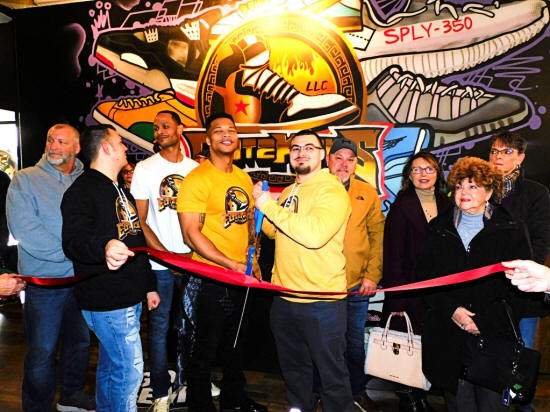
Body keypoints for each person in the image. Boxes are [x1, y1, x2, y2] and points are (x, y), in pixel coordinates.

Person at [417, 157, 533, 412]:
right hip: (449, 337)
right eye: (459, 186)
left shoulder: (511, 228)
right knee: (459, 405)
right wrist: (453, 311)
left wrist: (483, 321)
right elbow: (425, 279)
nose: (464, 192)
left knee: (492, 406)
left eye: (472, 186)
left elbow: (523, 288)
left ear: (489, 191)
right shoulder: (438, 228)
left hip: (495, 338)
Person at [61, 124, 160, 412]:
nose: (125, 147)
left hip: (128, 296)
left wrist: (149, 285)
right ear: (106, 148)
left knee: (111, 366)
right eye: (119, 142)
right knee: (129, 371)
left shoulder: (120, 190)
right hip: (107, 299)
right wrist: (103, 246)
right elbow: (74, 242)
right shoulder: (81, 191)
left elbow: (135, 239)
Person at [253, 129, 353, 412]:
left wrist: (268, 206)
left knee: (332, 378)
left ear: (322, 155)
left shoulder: (331, 189)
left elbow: (314, 236)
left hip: (322, 301)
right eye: (295, 148)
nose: (301, 153)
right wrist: (260, 208)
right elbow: (274, 231)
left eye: (309, 147)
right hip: (284, 298)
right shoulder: (289, 191)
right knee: (295, 374)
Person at [177, 113, 267, 412]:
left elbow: (248, 223)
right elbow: (191, 234)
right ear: (208, 139)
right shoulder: (197, 179)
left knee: (236, 344)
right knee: (203, 349)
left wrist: (253, 256)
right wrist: (229, 264)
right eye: (218, 131)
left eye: (231, 130)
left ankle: (233, 398)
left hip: (240, 276)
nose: (226, 134)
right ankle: (200, 406)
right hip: (210, 278)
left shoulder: (242, 177)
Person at [6, 123, 95, 412]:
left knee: (80, 344)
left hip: (81, 282)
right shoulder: (25, 179)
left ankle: (71, 396)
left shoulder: (87, 180)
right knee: (42, 351)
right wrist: (78, 256)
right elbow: (26, 231)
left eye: (61, 141)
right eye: (50, 140)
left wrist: (87, 260)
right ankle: (36, 407)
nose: (54, 146)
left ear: (77, 148)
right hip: (44, 285)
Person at [130, 110, 198, 410]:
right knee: (158, 331)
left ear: (180, 129)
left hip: (193, 263)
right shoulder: (145, 168)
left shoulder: (195, 170)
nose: (159, 131)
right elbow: (140, 221)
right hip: (161, 266)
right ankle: (160, 392)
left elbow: (202, 221)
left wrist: (192, 255)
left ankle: (191, 381)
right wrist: (169, 257)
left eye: (165, 126)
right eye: (156, 128)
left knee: (192, 327)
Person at [382, 151, 450, 412]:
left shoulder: (448, 203)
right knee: (407, 345)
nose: (423, 174)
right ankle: (409, 399)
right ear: (409, 176)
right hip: (409, 291)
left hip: (440, 292)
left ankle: (423, 394)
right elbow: (393, 255)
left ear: (438, 173)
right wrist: (396, 298)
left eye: (429, 169)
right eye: (417, 169)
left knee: (432, 346)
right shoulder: (402, 205)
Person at [326, 137, 384, 412]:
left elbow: (377, 235)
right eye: (339, 157)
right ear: (328, 159)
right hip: (321, 285)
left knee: (353, 344)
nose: (344, 164)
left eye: (350, 159)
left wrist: (372, 275)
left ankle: (357, 392)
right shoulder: (316, 187)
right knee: (323, 343)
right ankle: (319, 392)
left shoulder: (366, 192)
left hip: (355, 285)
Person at [487, 131, 550, 362]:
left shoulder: (536, 192)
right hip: (485, 290)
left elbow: (541, 240)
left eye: (507, 151)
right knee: (486, 361)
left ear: (520, 158)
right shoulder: (478, 190)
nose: (498, 156)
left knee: (519, 360)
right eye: (494, 151)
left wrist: (523, 277)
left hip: (522, 289)